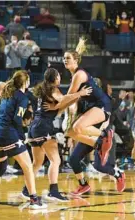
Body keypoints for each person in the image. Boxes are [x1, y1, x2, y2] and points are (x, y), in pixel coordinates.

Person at [43, 38, 117, 195]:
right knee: (70, 132)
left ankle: (104, 136)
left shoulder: (79, 75)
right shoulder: (75, 75)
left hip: (102, 105)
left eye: (68, 58)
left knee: (77, 127)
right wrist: (59, 110)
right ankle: (97, 147)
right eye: (63, 58)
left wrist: (54, 108)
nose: (64, 60)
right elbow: (72, 99)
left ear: (76, 60)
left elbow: (68, 97)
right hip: (95, 106)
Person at [0, 70, 47, 209]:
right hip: (8, 134)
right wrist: (22, 136)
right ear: (25, 82)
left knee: (0, 169)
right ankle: (34, 199)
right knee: (28, 166)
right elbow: (17, 119)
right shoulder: (22, 97)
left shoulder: (6, 94)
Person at [20, 68, 91, 202]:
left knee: (37, 162)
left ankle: (26, 190)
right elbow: (63, 99)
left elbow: (60, 105)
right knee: (55, 160)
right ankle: (53, 191)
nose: (60, 78)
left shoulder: (45, 89)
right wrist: (80, 92)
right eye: (58, 75)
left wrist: (77, 96)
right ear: (55, 77)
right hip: (43, 126)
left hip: (35, 126)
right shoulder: (53, 89)